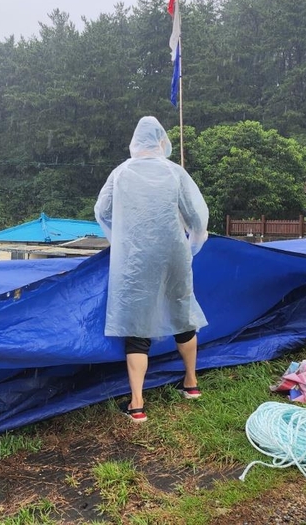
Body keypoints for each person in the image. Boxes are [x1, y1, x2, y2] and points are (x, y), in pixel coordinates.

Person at [94, 116, 210, 423]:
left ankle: (137, 403)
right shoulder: (175, 173)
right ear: (161, 142)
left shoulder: (120, 173)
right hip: (173, 252)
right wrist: (192, 247)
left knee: (137, 323)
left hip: (133, 258)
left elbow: (101, 210)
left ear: (135, 143)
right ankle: (191, 383)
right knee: (181, 310)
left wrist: (120, 237)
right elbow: (197, 218)